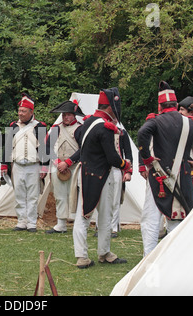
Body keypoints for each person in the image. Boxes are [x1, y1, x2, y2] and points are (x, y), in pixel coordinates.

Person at [138, 81, 193, 236]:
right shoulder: (190, 124)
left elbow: (142, 135)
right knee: (175, 220)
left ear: (160, 106)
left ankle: (148, 257)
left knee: (153, 220)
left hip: (159, 174)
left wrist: (147, 160)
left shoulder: (155, 121)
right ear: (175, 105)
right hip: (183, 176)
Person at [72, 88, 132, 269]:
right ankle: (89, 255)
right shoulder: (105, 127)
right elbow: (113, 158)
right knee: (95, 216)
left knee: (86, 214)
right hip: (102, 175)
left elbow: (77, 136)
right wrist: (125, 165)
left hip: (86, 172)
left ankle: (97, 253)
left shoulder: (88, 121)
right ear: (111, 108)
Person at [2, 93, 48, 232]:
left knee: (33, 196)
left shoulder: (40, 126)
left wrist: (44, 167)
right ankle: (21, 221)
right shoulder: (13, 126)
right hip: (17, 165)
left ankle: (32, 223)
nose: (20, 114)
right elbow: (8, 146)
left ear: (31, 112)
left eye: (24, 111)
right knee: (20, 195)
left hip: (33, 165)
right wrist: (4, 164)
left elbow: (45, 148)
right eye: (20, 111)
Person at [44, 99, 84, 234]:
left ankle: (77, 223)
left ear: (74, 115)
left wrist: (68, 162)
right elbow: (48, 147)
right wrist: (57, 163)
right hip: (58, 166)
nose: (66, 117)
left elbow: (83, 149)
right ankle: (61, 223)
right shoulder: (56, 128)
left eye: (69, 115)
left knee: (76, 195)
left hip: (74, 166)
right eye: (64, 115)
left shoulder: (80, 129)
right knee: (60, 195)